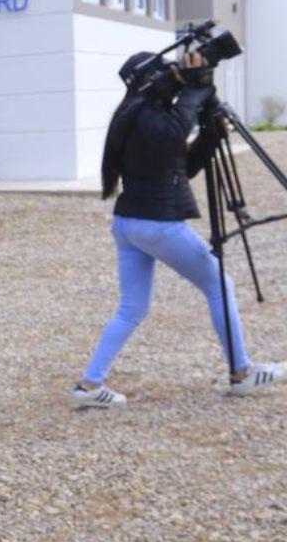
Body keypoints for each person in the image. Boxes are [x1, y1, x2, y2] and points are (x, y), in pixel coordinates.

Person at [72, 49, 282, 409]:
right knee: (219, 284)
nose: (175, 75)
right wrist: (197, 90)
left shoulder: (133, 114)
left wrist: (210, 136)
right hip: (158, 225)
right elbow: (173, 133)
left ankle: (89, 386)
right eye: (168, 72)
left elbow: (182, 167)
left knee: (132, 308)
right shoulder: (149, 116)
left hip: (129, 225)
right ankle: (242, 372)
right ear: (153, 79)